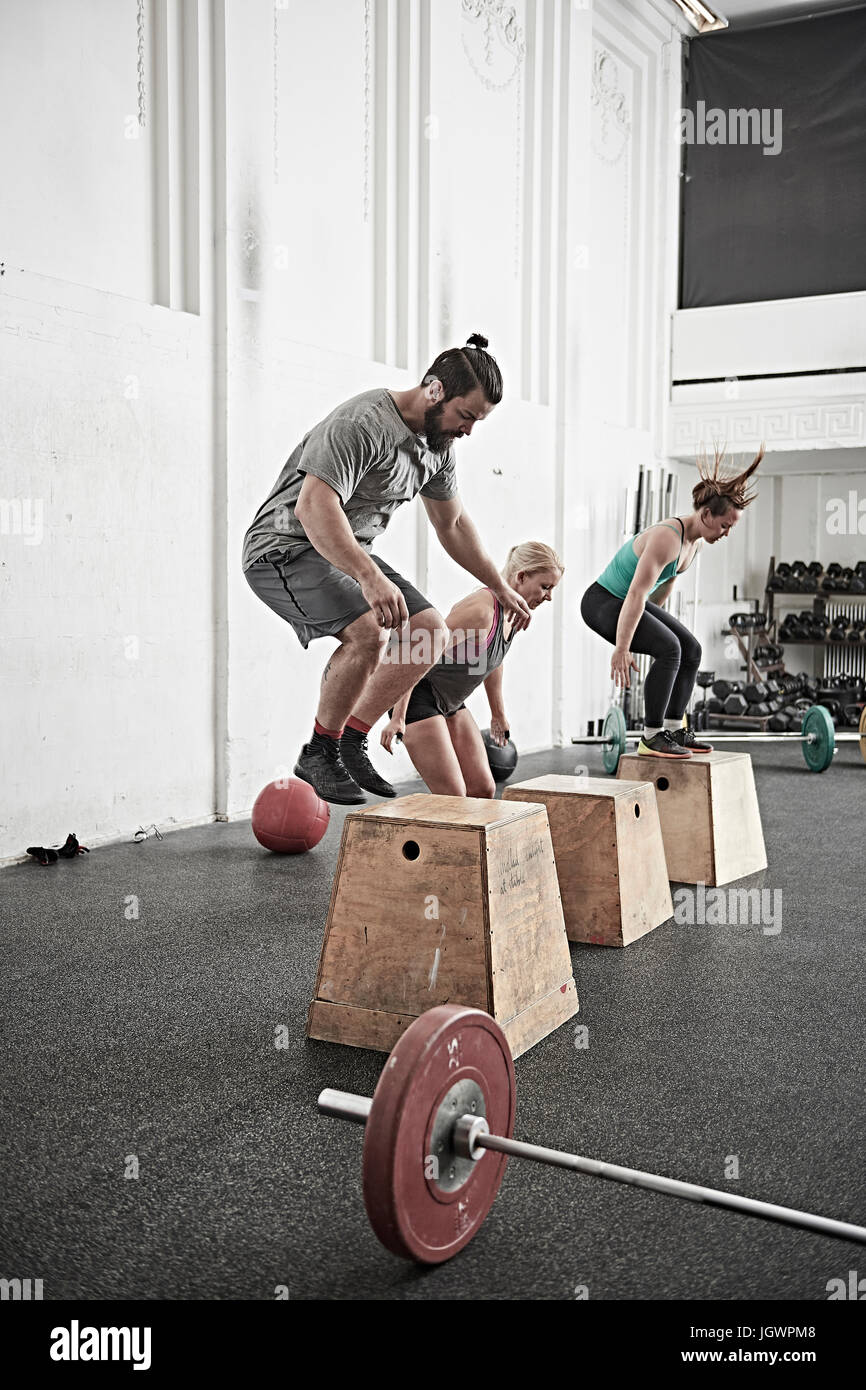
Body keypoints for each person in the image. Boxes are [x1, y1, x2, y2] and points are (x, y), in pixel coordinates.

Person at [242, 334, 531, 805]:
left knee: (428, 630)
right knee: (370, 633)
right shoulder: (364, 422)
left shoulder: (436, 449)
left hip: (343, 552)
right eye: (466, 416)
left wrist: (500, 586)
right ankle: (320, 752)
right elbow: (314, 507)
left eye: (478, 422)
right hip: (283, 548)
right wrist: (368, 576)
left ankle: (351, 741)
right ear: (434, 389)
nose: (469, 431)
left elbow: (453, 524)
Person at [580, 448, 763, 759]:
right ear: (706, 515)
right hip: (603, 601)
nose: (726, 533)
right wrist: (623, 647)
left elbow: (658, 592)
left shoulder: (694, 545)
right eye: (725, 525)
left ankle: (675, 727)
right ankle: (651, 737)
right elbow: (636, 595)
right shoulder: (668, 537)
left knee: (691, 648)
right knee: (670, 649)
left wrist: (652, 629)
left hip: (627, 602)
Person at [380, 543, 563, 796]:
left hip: (451, 702)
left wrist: (498, 714)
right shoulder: (481, 611)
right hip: (417, 698)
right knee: (453, 798)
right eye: (546, 587)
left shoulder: (513, 614)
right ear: (521, 577)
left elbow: (492, 660)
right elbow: (419, 652)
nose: (549, 596)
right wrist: (398, 717)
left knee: (483, 789)